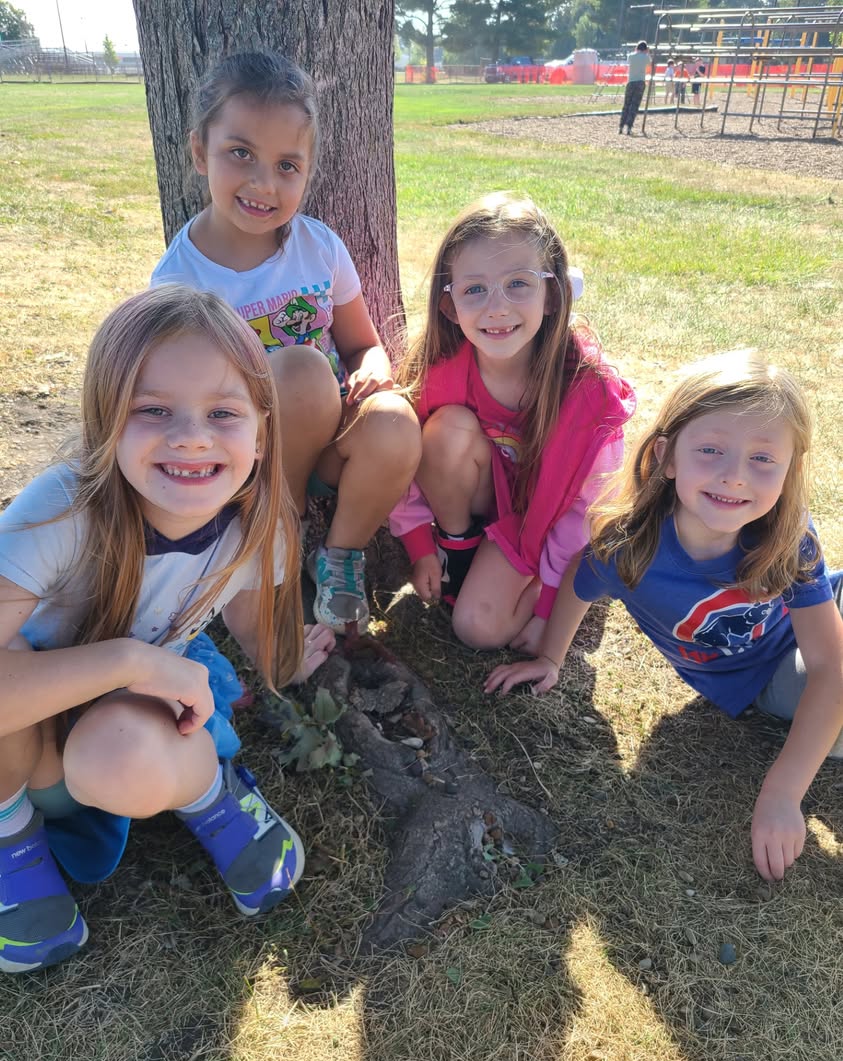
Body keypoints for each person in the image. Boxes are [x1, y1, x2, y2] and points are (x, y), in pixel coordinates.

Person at [0, 285, 337, 973]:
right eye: (153, 411)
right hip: (22, 739)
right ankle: (11, 843)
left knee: (116, 759)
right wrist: (131, 660)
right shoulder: (57, 513)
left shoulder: (257, 527)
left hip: (140, 725)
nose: (190, 435)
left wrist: (289, 659)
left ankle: (213, 799)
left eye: (222, 412)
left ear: (261, 429)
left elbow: (249, 620)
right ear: (105, 422)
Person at [486, 352, 843, 884]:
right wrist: (550, 656)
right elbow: (581, 583)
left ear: (790, 471)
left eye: (764, 459)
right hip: (764, 676)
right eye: (711, 450)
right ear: (667, 456)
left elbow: (829, 662)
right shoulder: (628, 550)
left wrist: (781, 794)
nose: (734, 476)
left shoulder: (790, 539)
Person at [151, 50, 421, 635]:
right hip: (242, 462)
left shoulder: (319, 247)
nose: (263, 183)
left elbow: (360, 344)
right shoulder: (180, 281)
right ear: (200, 151)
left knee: (396, 422)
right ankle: (280, 533)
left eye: (287, 165)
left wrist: (374, 366)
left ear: (308, 171)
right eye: (240, 154)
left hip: (328, 434)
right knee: (297, 367)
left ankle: (338, 556)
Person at [389, 192, 636, 674]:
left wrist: (548, 604)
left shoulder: (590, 392)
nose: (496, 309)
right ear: (449, 304)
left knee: (478, 629)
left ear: (554, 295)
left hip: (550, 527)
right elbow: (406, 466)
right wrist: (419, 545)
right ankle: (457, 553)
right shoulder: (438, 372)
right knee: (445, 432)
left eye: (518, 284)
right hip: (484, 503)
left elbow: (588, 511)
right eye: (475, 290)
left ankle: (511, 577)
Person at [620, 41, 650, 136]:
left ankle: (621, 126)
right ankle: (629, 127)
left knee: (626, 104)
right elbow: (650, 62)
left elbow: (629, 60)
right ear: (645, 49)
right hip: (640, 82)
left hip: (631, 82)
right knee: (634, 106)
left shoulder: (631, 56)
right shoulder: (646, 57)